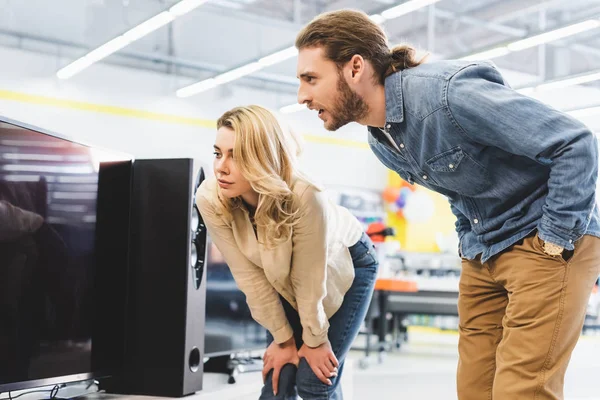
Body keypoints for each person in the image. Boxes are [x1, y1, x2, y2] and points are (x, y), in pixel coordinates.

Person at [294, 9, 600, 400]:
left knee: (521, 390)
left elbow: (575, 143)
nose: (302, 96)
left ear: (355, 67)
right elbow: (458, 192)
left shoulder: (447, 95)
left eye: (310, 79)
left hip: (542, 241)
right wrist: (468, 246)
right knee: (473, 390)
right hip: (484, 251)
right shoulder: (380, 141)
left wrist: (554, 241)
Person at [195, 105, 378, 399]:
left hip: (344, 263)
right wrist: (283, 340)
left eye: (236, 156)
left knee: (314, 380)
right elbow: (249, 277)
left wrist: (315, 340)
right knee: (278, 378)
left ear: (261, 158)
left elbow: (309, 279)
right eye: (218, 153)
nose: (221, 167)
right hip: (281, 274)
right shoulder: (210, 198)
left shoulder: (305, 196)